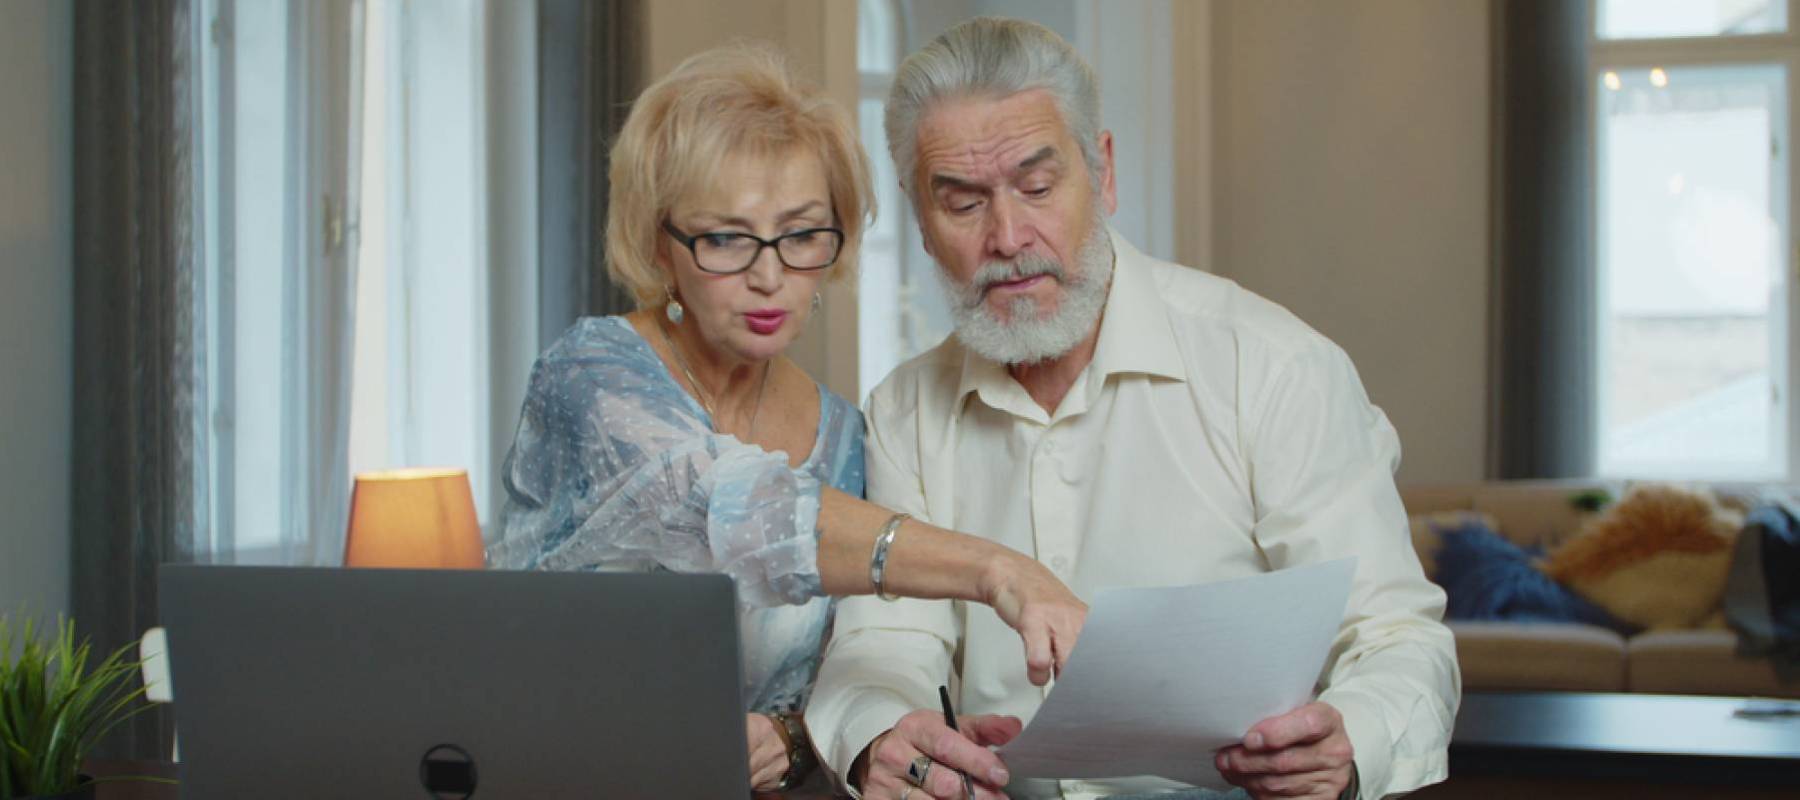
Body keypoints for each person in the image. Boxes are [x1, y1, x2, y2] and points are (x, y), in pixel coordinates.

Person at [804, 17, 1461, 800]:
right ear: (919, 218)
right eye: (962, 203)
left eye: (1038, 187)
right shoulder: (906, 408)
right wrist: (883, 730)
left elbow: (1396, 635)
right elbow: (882, 643)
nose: (1008, 236)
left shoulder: (1273, 367)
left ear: (1105, 173)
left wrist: (1351, 742)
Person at [485, 42, 1086, 794]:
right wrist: (998, 569)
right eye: (727, 238)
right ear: (659, 245)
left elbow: (834, 683)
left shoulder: (845, 437)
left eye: (802, 235)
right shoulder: (590, 378)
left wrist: (823, 738)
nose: (769, 276)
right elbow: (737, 512)